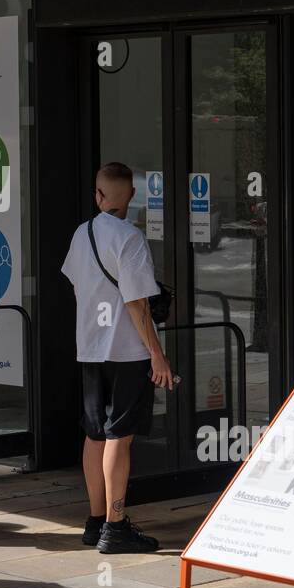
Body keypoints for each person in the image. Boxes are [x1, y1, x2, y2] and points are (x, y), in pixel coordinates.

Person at [62, 162, 177, 554]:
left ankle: (96, 521)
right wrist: (157, 356)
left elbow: (79, 289)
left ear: (98, 196)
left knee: (95, 434)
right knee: (119, 437)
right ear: (130, 196)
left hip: (90, 348)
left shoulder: (81, 235)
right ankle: (115, 525)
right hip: (126, 351)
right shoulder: (130, 238)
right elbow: (137, 302)